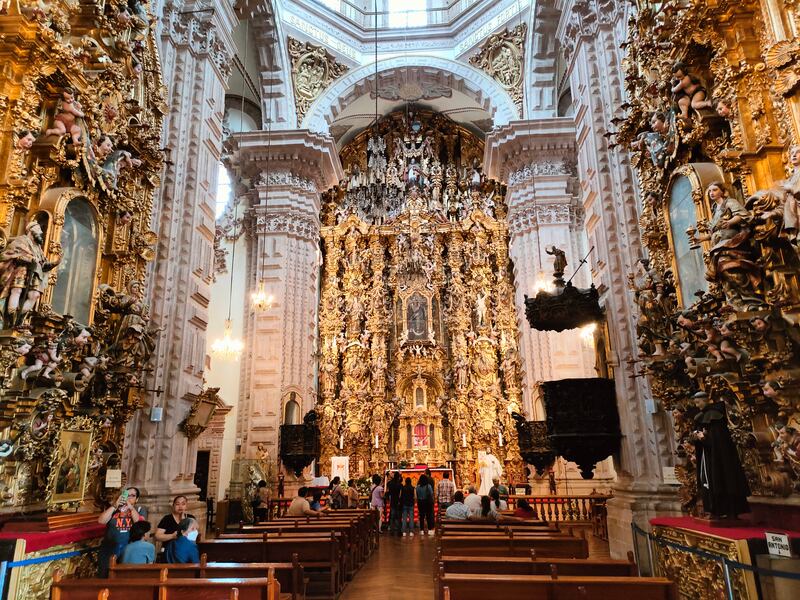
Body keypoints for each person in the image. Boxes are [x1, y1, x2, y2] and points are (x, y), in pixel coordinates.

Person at [97, 487, 147, 577]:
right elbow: (101, 521)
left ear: (137, 499)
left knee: (124, 576)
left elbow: (140, 524)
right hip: (109, 548)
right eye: (127, 495)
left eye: (132, 496)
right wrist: (115, 505)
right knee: (105, 576)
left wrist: (130, 508)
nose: (129, 497)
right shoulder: (114, 508)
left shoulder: (139, 510)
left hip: (128, 549)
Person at [155, 495, 195, 561]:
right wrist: (172, 536)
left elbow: (193, 537)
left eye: (183, 504)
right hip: (169, 551)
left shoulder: (191, 518)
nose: (180, 506)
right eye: (177, 504)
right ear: (173, 506)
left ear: (186, 506)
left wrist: (183, 521)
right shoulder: (167, 519)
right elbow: (157, 536)